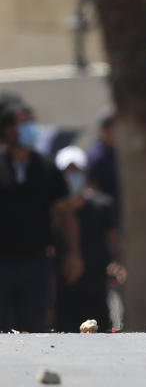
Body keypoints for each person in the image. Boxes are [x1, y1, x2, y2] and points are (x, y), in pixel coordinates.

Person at [0, 99, 84, 332]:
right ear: (7, 129)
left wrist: (73, 253)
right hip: (2, 264)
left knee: (35, 327)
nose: (31, 129)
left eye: (31, 122)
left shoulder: (47, 167)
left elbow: (66, 213)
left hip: (36, 263)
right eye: (23, 123)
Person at [52, 146, 122, 332]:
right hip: (62, 290)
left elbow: (114, 241)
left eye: (77, 171)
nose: (73, 177)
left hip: (95, 287)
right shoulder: (53, 209)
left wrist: (118, 264)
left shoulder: (101, 206)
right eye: (68, 172)